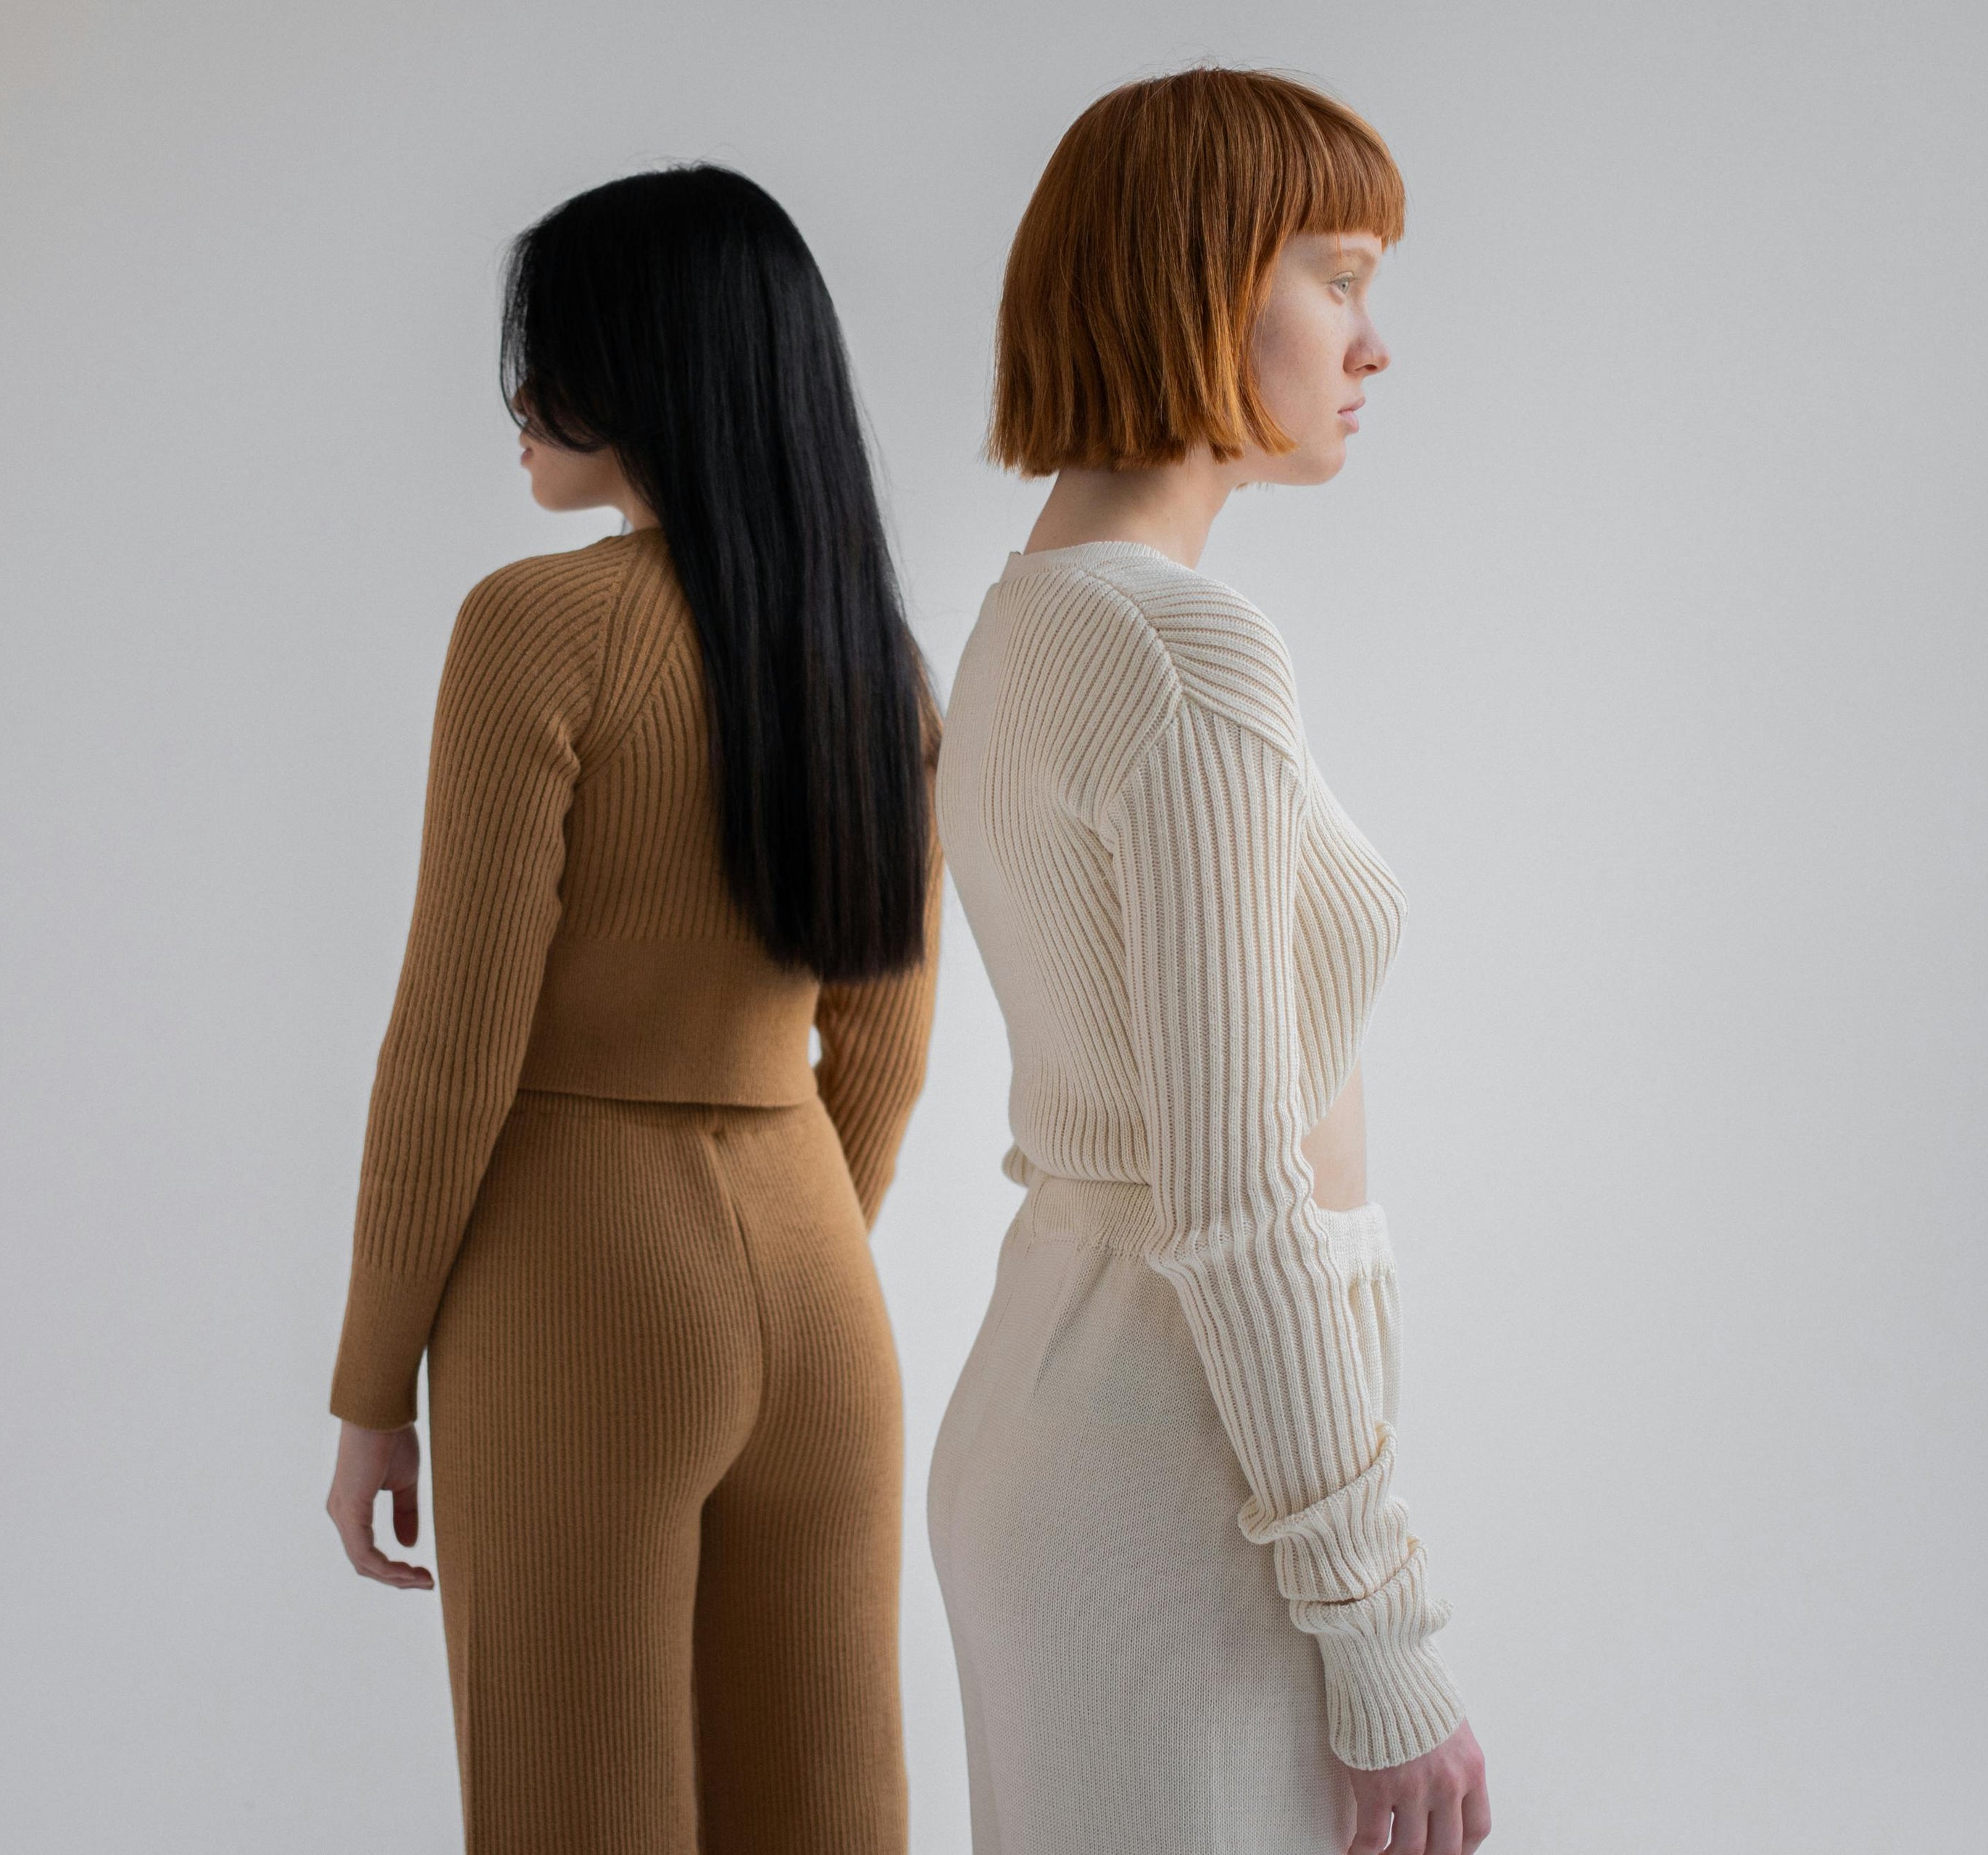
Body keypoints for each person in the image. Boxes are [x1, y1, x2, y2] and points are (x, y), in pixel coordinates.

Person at [320, 164, 941, 1854]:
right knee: (822, 1813)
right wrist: (786, 1251)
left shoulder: (538, 627)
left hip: (579, 1275)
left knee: (575, 1815)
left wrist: (373, 1385)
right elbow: (886, 1048)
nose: (522, 396)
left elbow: (453, 1047)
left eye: (559, 351)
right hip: (822, 1287)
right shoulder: (871, 660)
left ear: (654, 367)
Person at [926, 69, 1493, 1855]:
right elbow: (1239, 1198)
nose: (1373, 342)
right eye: (1338, 276)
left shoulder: (1029, 617)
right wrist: (1381, 1629)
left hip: (1068, 1415)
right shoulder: (1185, 651)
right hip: (1180, 1484)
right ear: (1200, 279)